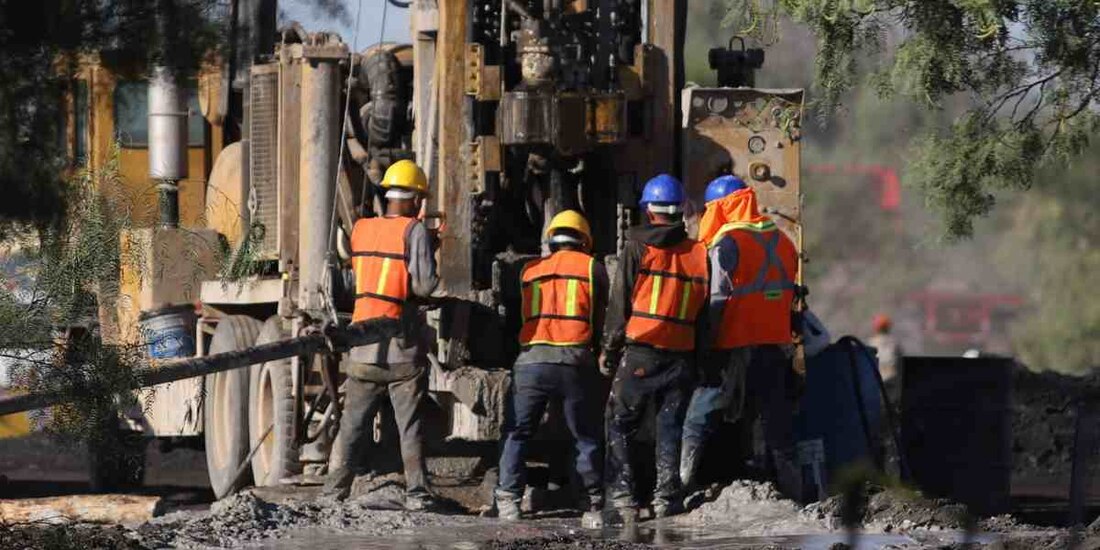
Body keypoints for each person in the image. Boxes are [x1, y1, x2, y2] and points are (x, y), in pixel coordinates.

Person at [323, 160, 438, 510]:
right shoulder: (414, 230)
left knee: (353, 426)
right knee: (410, 426)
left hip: (362, 347)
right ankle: (417, 493)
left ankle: (333, 492)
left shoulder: (361, 228)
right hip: (400, 351)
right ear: (415, 198)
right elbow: (423, 285)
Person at [680, 175, 801, 497]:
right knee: (775, 420)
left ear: (723, 207)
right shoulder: (782, 238)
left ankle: (679, 487)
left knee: (699, 414)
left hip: (734, 341)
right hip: (774, 342)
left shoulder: (728, 243)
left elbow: (718, 296)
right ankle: (795, 491)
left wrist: (707, 340)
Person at [601, 174, 709, 520]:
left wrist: (608, 347)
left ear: (649, 211)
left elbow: (620, 304)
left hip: (641, 353)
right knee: (669, 426)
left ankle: (624, 499)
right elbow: (706, 311)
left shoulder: (637, 248)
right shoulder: (698, 252)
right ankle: (666, 499)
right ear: (681, 211)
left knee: (619, 421)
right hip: (681, 356)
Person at [494, 210, 609, 522]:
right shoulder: (592, 268)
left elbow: (517, 319)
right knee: (584, 435)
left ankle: (508, 502)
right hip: (574, 361)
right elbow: (600, 320)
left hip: (531, 362)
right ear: (584, 240)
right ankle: (592, 504)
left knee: (517, 432)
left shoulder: (529, 270)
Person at [868, 314, 902, 382]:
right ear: (888, 327)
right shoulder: (895, 343)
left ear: (876, 328)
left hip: (877, 381)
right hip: (892, 379)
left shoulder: (872, 343)